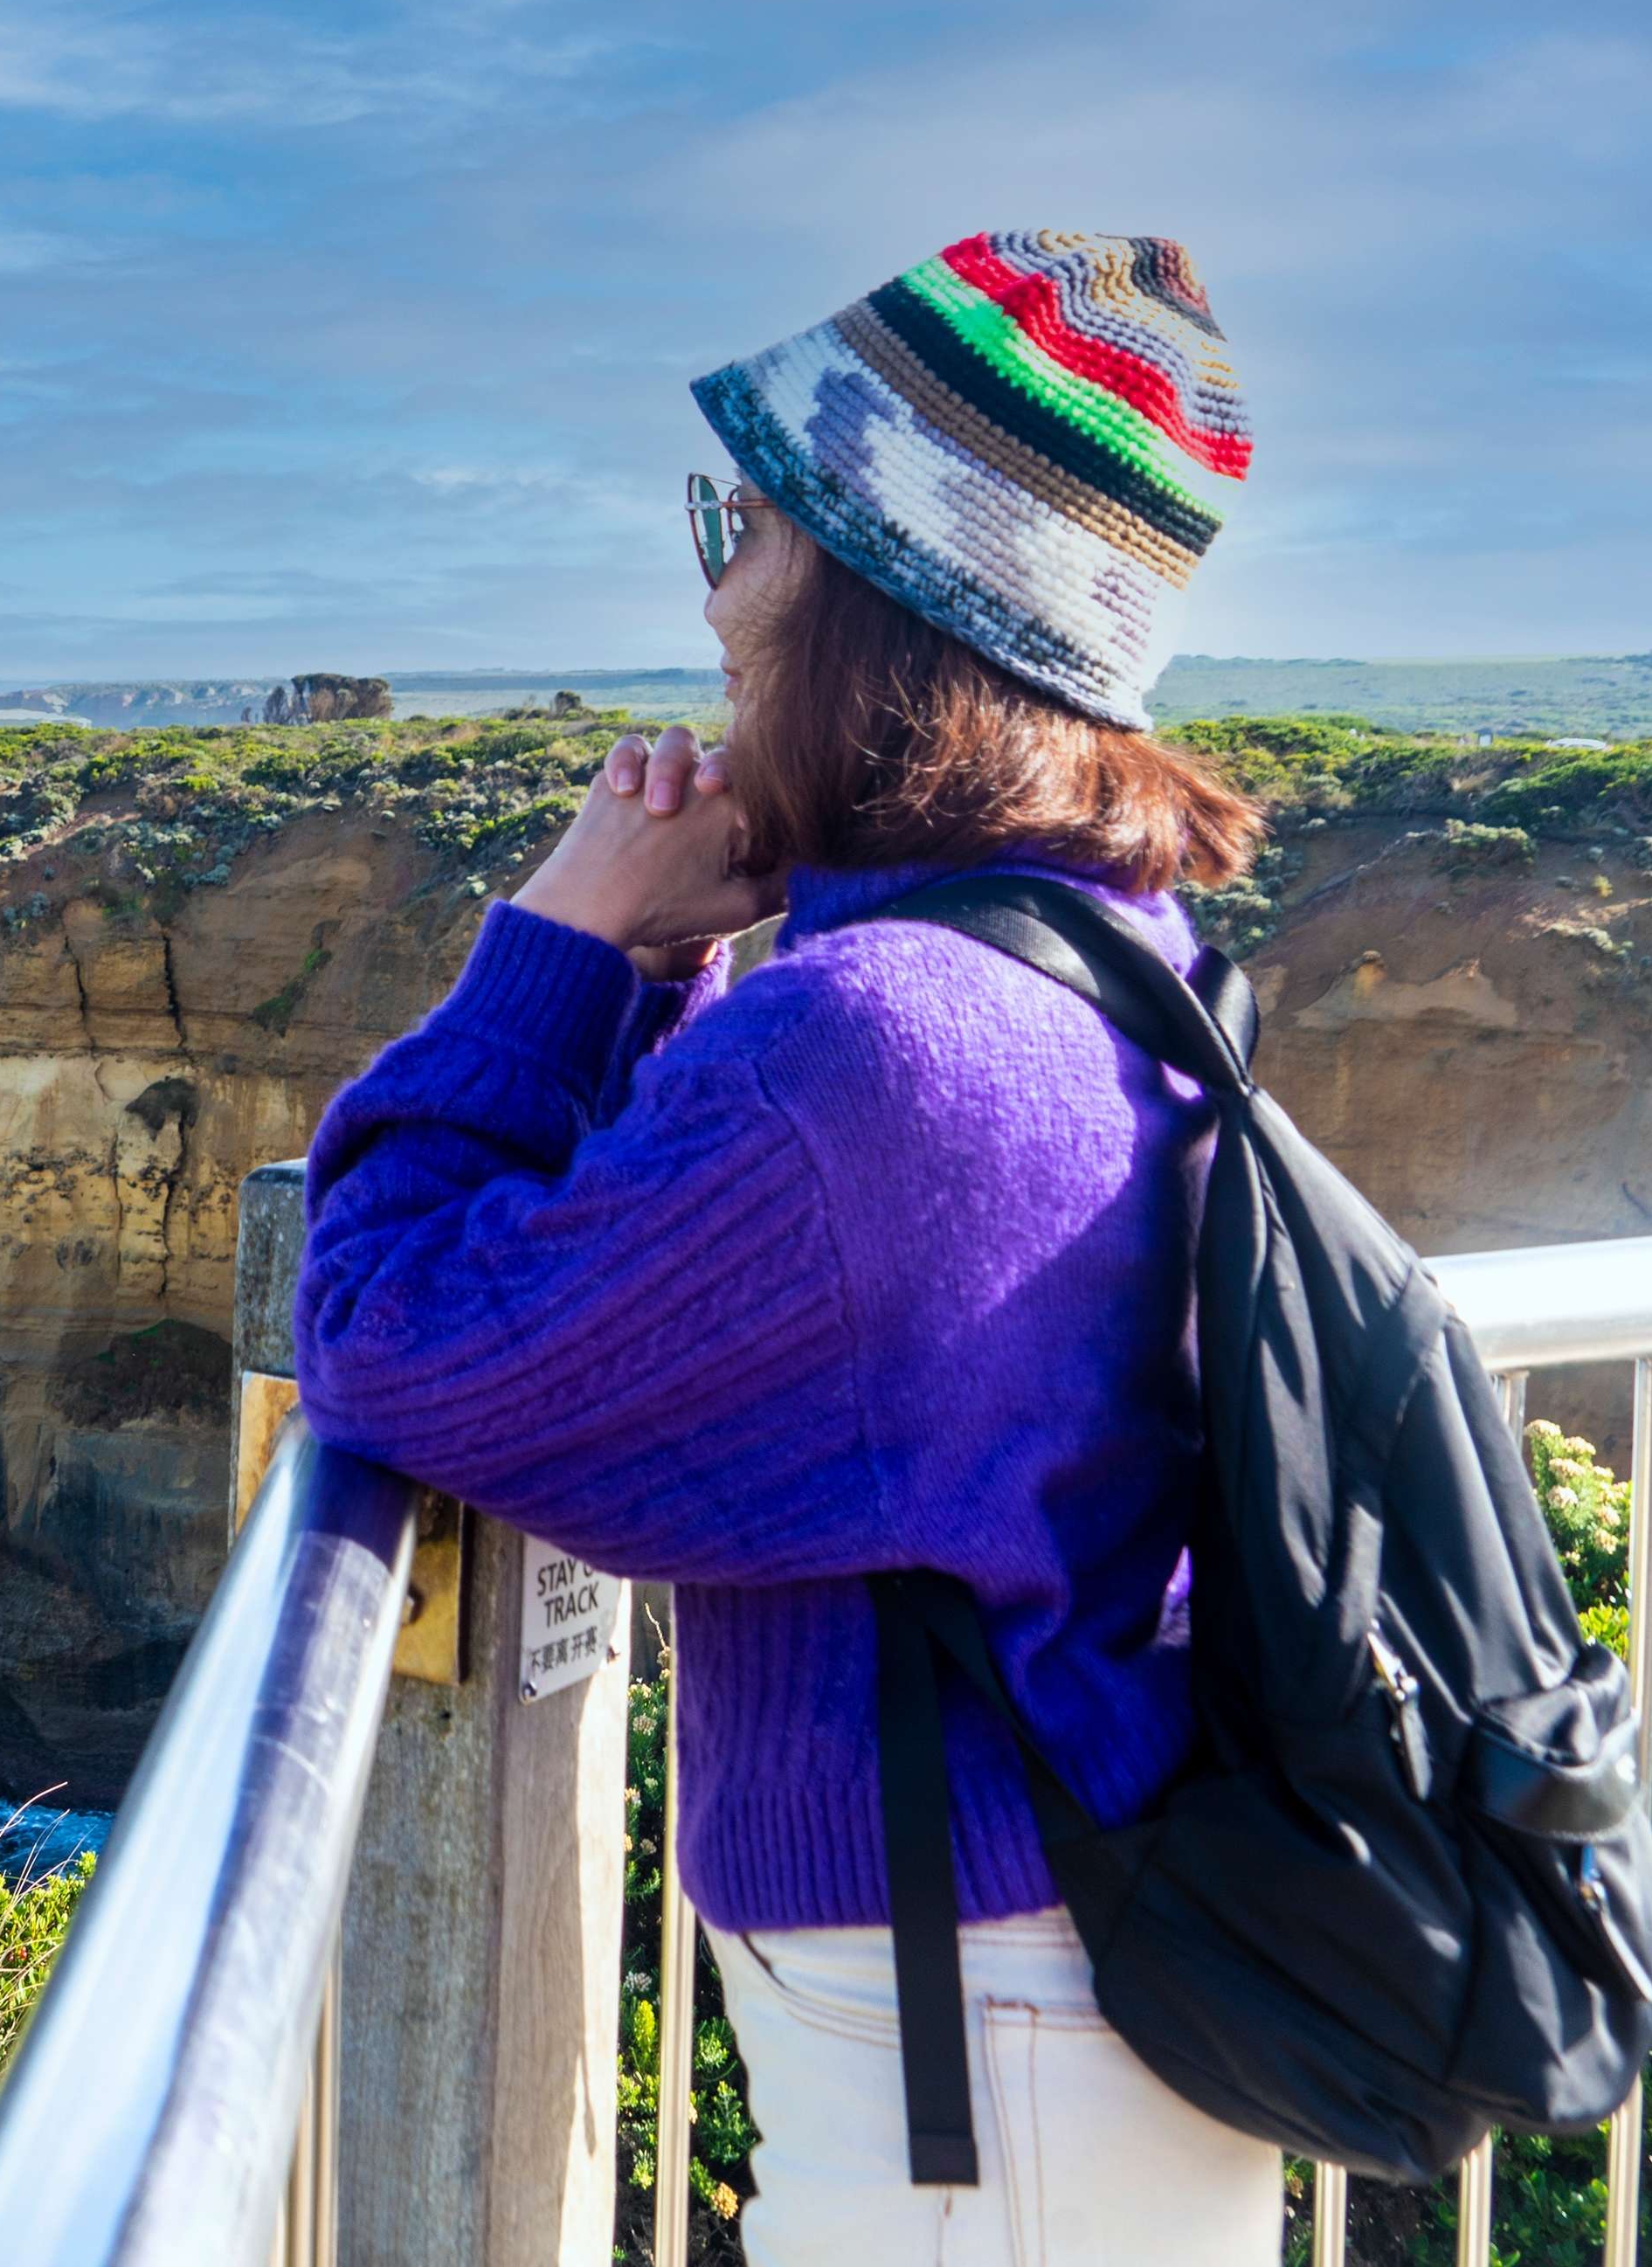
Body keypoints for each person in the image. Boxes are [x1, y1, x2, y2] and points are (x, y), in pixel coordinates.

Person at [292, 231, 1282, 2263]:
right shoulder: (1097, 959)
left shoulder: (875, 1048)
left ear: (871, 583)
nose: (716, 592)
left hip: (970, 2049)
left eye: (742, 525)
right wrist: (680, 980)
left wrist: (563, 941)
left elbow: (385, 1327)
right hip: (1061, 2008)